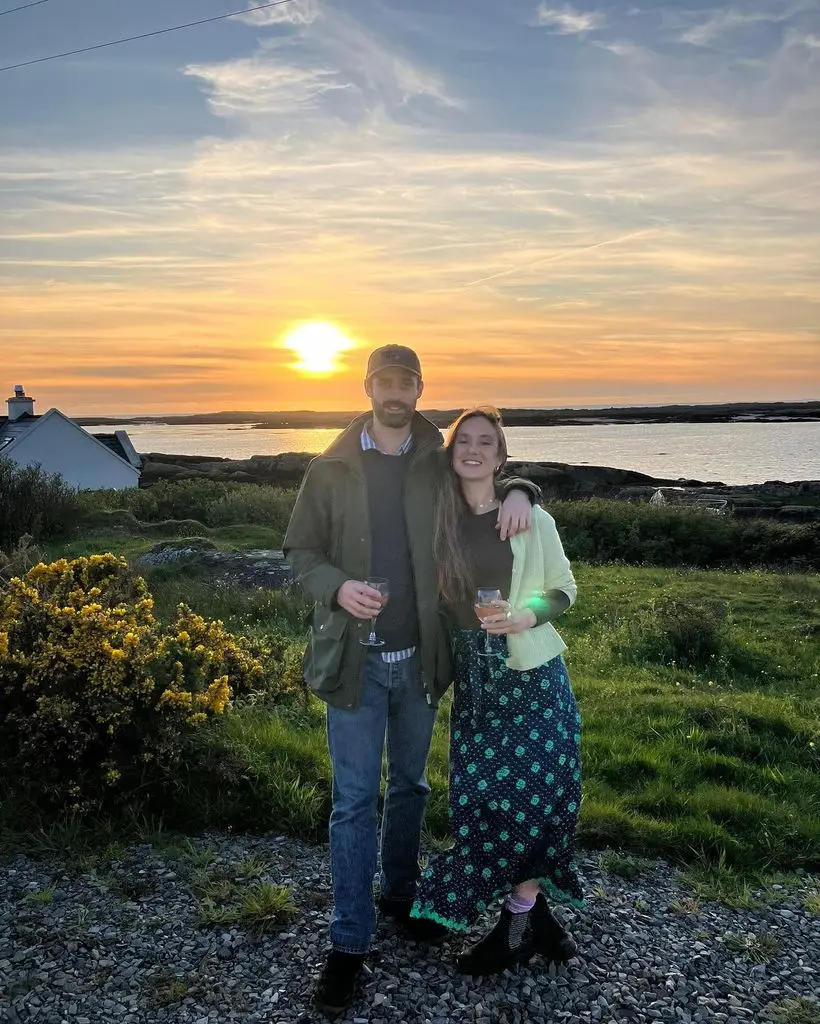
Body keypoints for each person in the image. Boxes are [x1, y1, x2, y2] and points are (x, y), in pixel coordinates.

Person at [282, 347, 540, 1016]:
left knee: (413, 787)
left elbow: (487, 476)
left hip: (423, 658)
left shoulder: (435, 460)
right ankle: (348, 944)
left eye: (406, 382)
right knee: (353, 800)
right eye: (384, 381)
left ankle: (399, 897)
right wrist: (337, 586)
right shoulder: (329, 468)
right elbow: (299, 553)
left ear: (420, 389)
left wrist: (522, 490)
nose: (395, 392)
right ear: (368, 387)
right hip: (355, 663)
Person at [410, 405, 583, 976]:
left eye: (488, 442)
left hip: (531, 676)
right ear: (452, 452)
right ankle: (536, 917)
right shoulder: (438, 517)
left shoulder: (535, 518)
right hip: (477, 680)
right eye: (466, 440)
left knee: (537, 799)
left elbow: (563, 589)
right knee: (483, 801)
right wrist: (519, 486)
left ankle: (516, 925)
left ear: (502, 456)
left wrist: (526, 616)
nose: (475, 449)